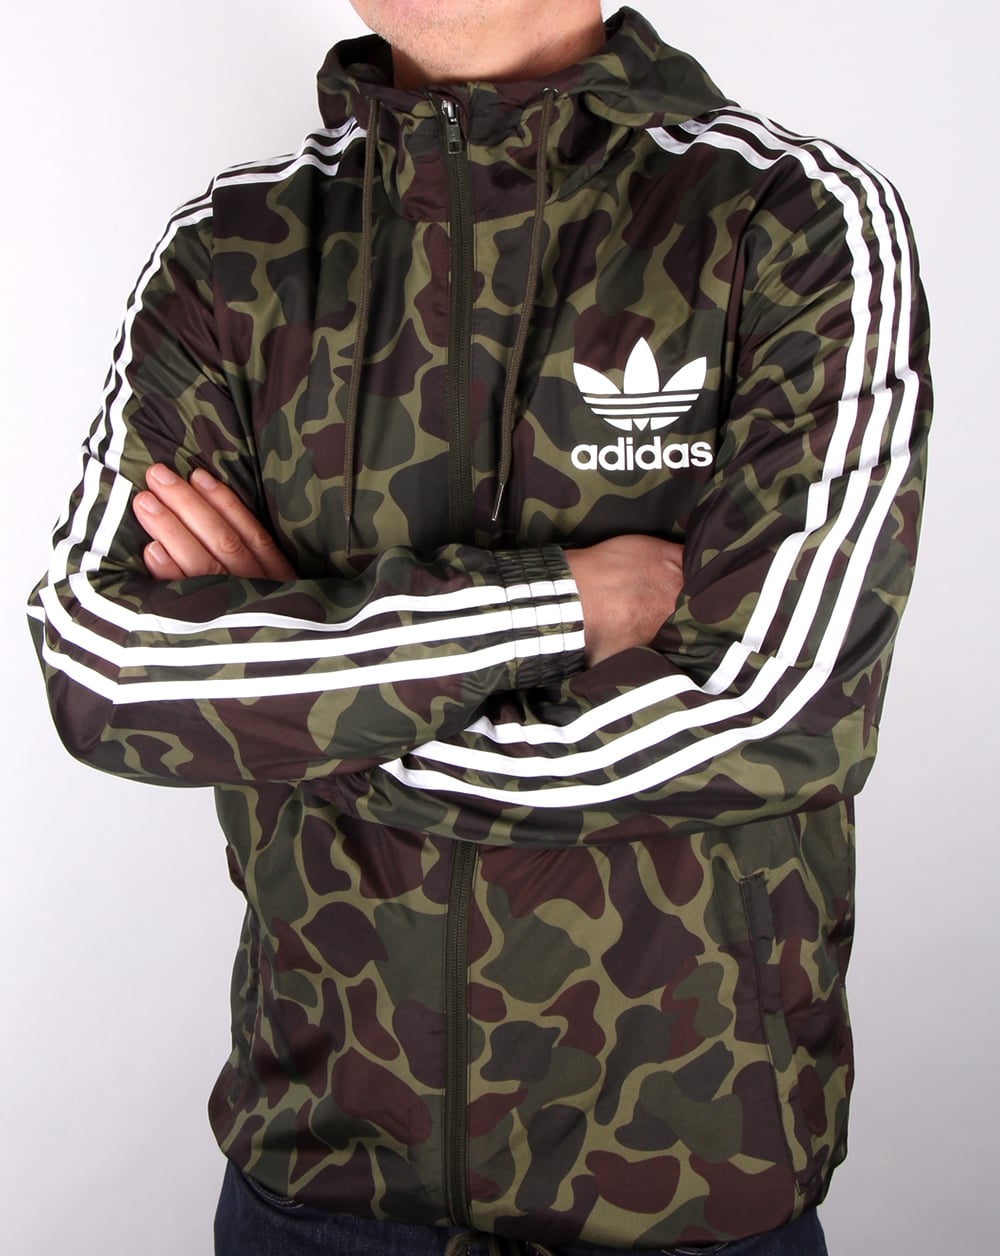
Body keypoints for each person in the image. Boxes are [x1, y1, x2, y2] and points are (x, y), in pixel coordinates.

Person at [27, 1, 931, 1252]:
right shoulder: (234, 251)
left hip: (684, 1185)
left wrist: (293, 699)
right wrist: (554, 602)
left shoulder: (788, 224)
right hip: (315, 1177)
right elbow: (104, 667)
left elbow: (774, 714)